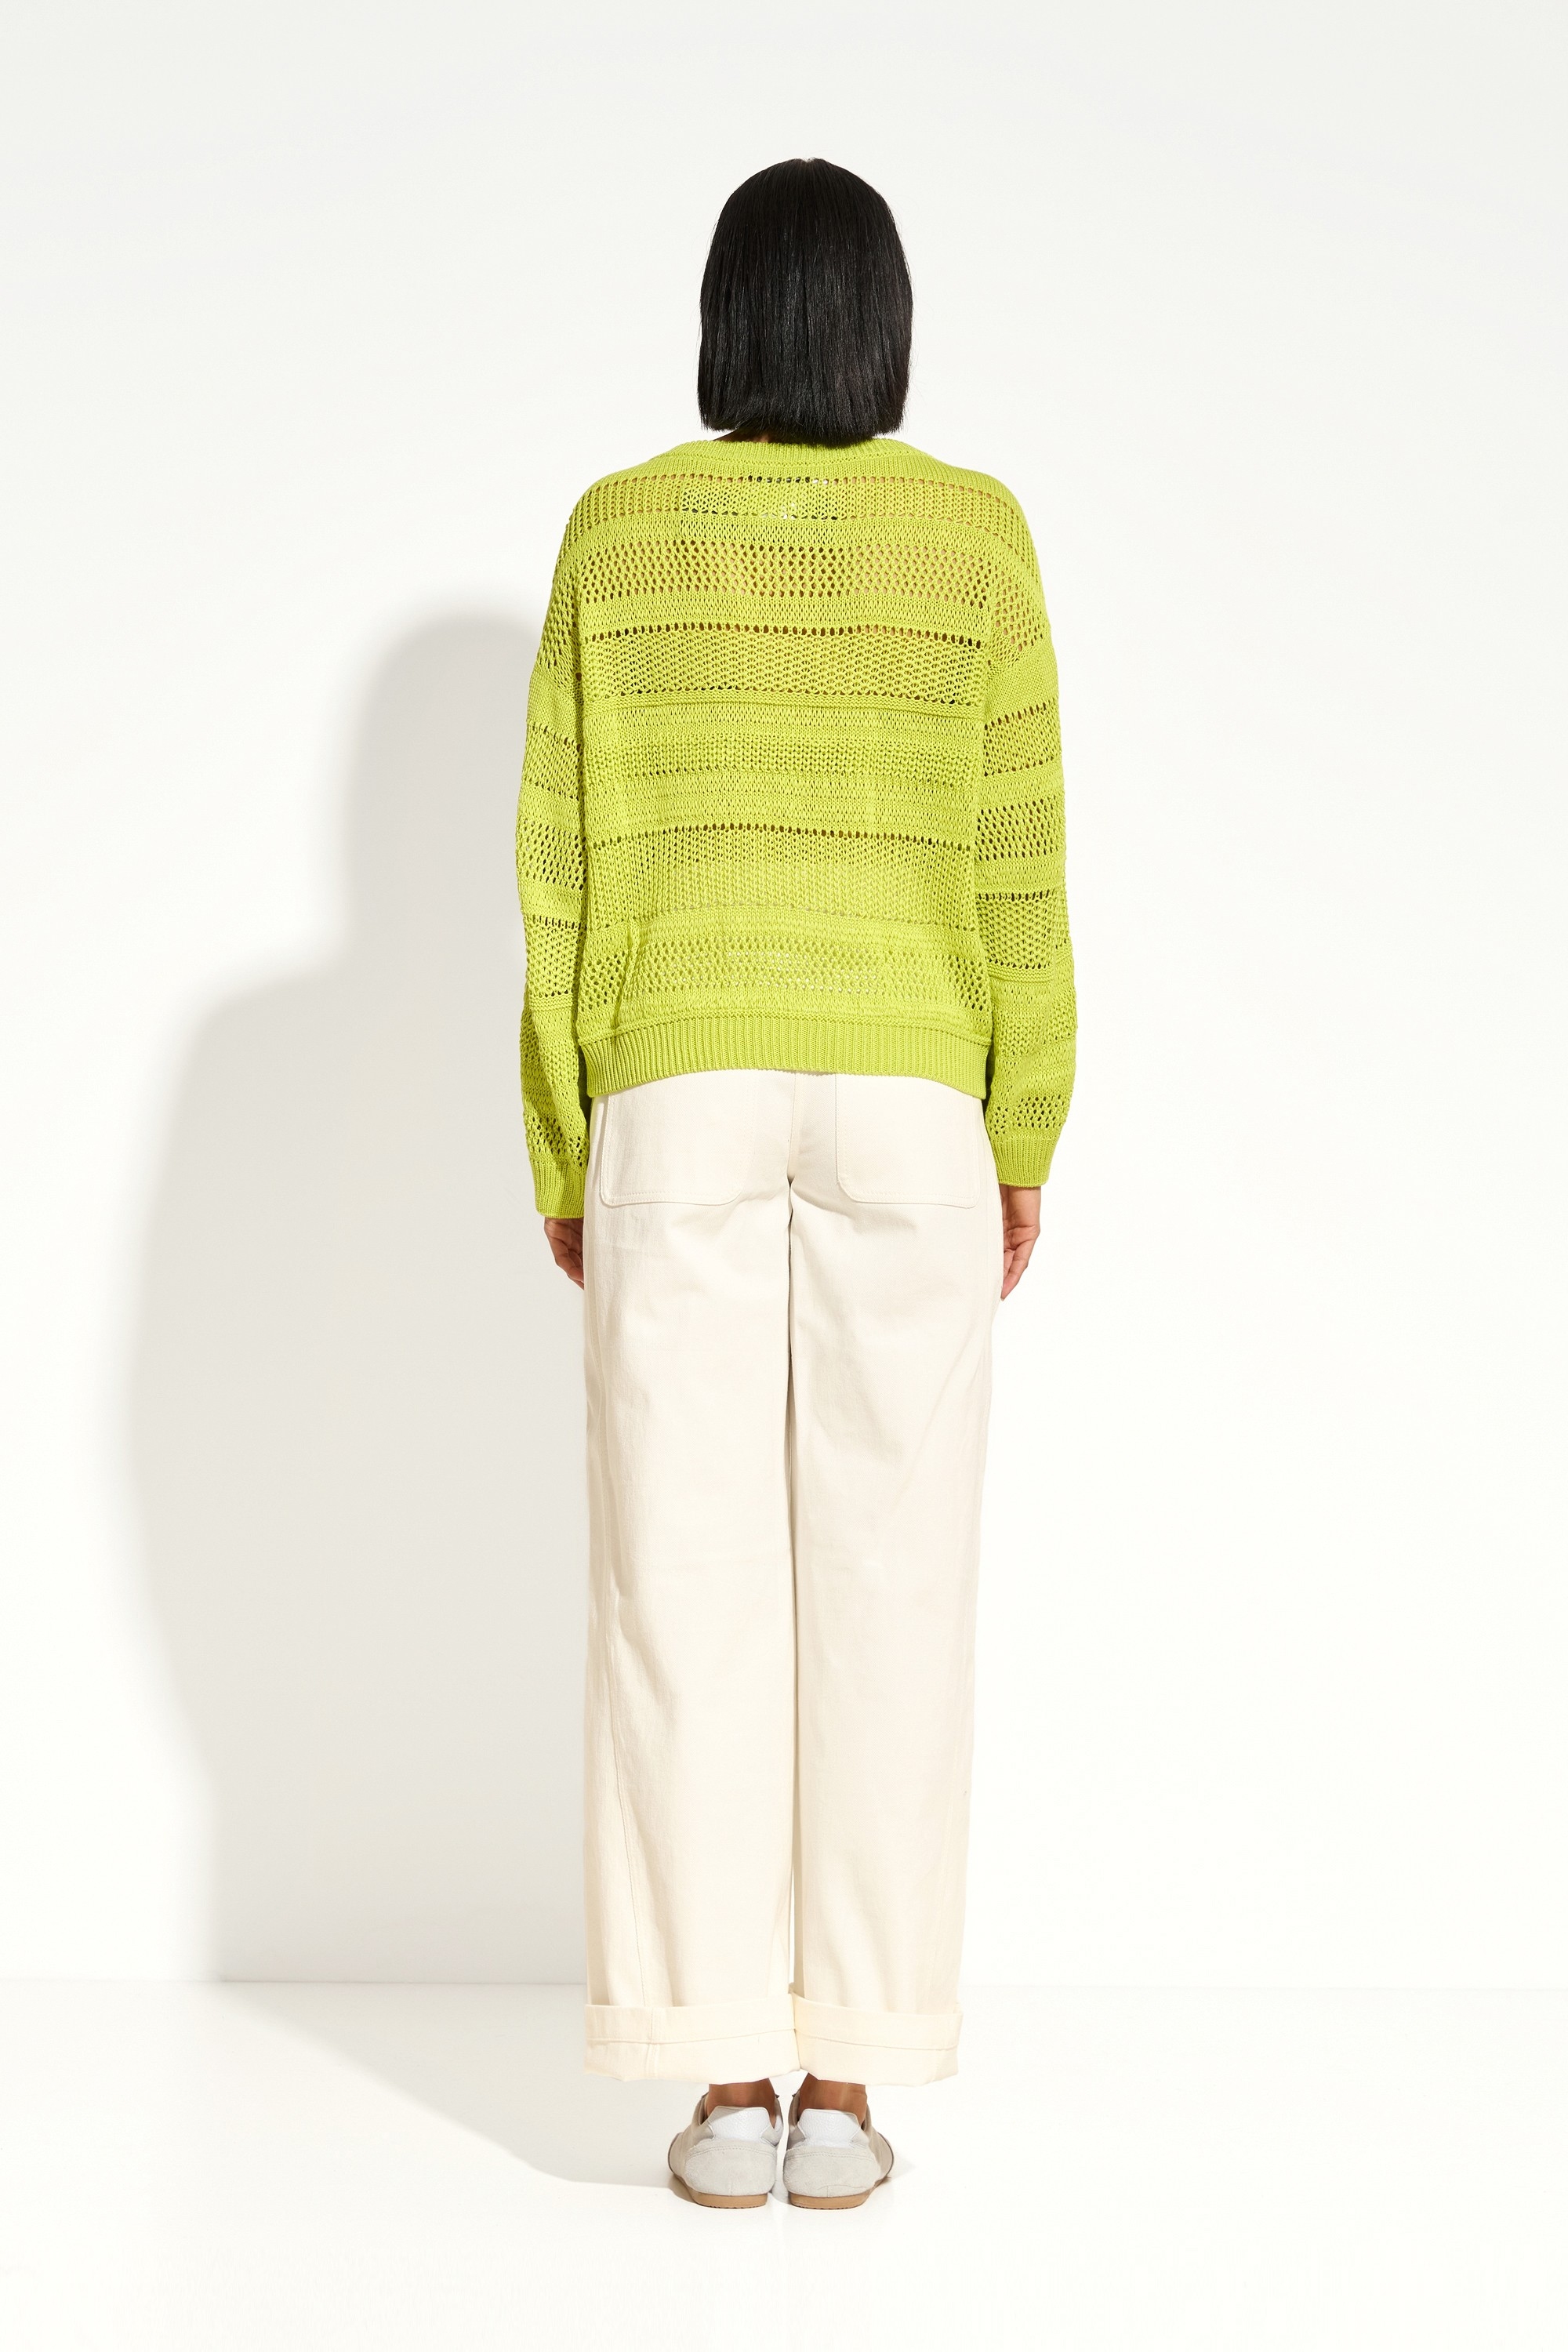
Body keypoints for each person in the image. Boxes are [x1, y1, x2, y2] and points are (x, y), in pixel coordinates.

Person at [514, 158, 1075, 2209]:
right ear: (885, 328)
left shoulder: (619, 533)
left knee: (678, 1595)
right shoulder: (976, 536)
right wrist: (1022, 1135)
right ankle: (850, 2091)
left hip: (677, 1086)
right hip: (914, 1094)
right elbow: (1021, 863)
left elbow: (559, 867)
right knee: (896, 1586)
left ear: (724, 322)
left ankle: (721, 2083)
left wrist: (567, 1139)